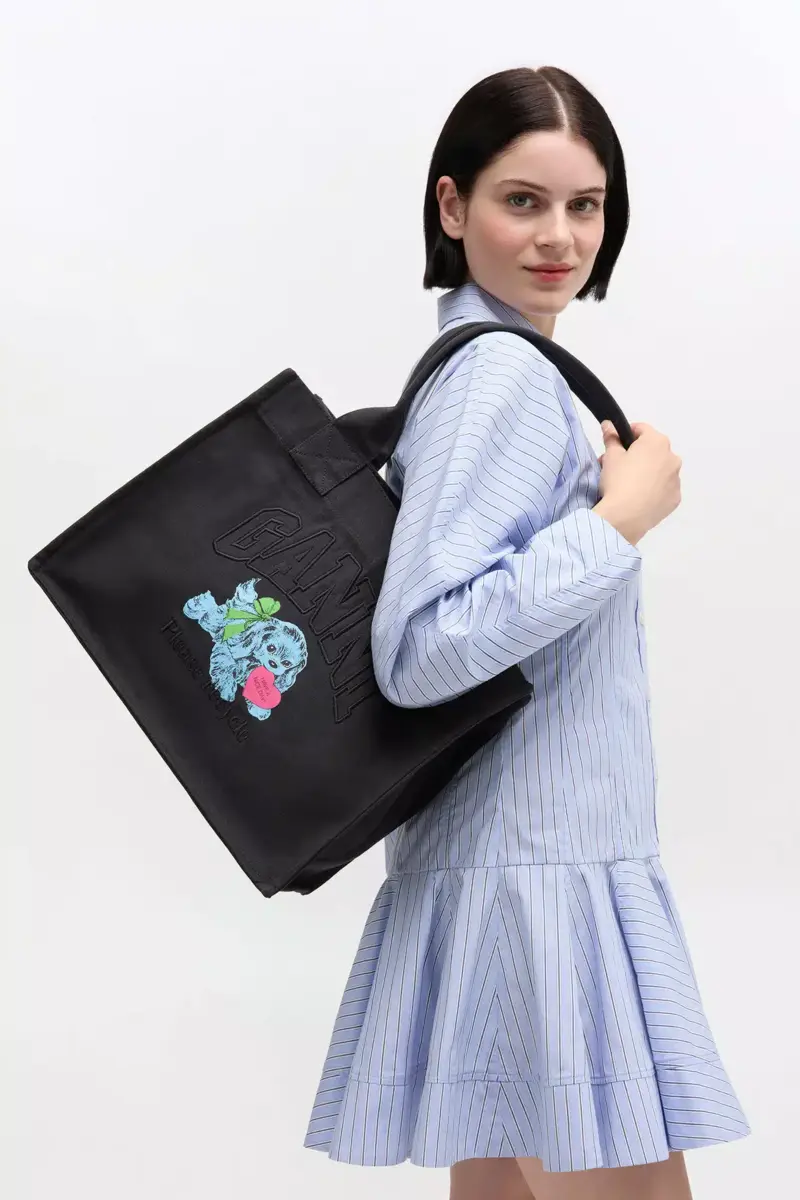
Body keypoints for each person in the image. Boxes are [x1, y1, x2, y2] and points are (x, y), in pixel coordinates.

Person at [304, 65, 749, 1199]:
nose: (559, 237)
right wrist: (617, 522)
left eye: (584, 204)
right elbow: (420, 651)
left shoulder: (512, 370)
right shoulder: (498, 376)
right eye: (522, 201)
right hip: (541, 882)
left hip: (519, 868)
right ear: (452, 207)